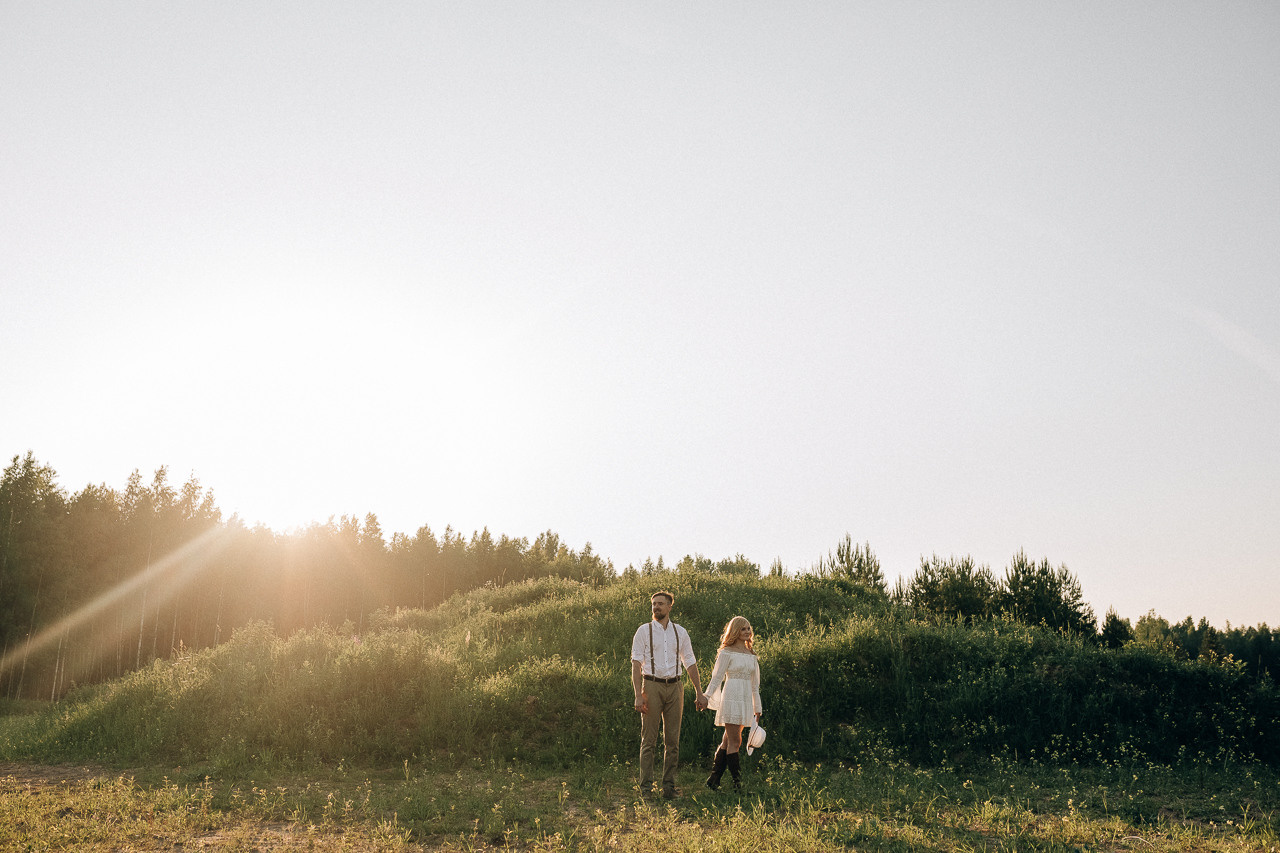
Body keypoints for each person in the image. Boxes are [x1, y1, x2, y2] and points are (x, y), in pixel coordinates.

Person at [631, 590, 708, 798]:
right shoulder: (643, 631)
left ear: (670, 606)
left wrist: (700, 693)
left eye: (660, 604)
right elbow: (636, 664)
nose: (656, 607)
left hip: (675, 687)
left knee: (672, 740)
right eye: (654, 604)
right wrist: (638, 694)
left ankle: (668, 787)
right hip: (652, 685)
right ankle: (646, 788)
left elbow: (690, 662)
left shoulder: (680, 632)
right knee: (649, 739)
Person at [702, 615, 762, 791]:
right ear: (735, 631)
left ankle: (713, 780)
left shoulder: (751, 655)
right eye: (743, 628)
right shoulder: (726, 652)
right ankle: (738, 784)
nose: (747, 631)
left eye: (748, 628)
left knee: (728, 741)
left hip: (745, 700)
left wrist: (757, 708)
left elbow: (755, 685)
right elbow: (716, 678)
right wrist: (706, 697)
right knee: (736, 741)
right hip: (730, 697)